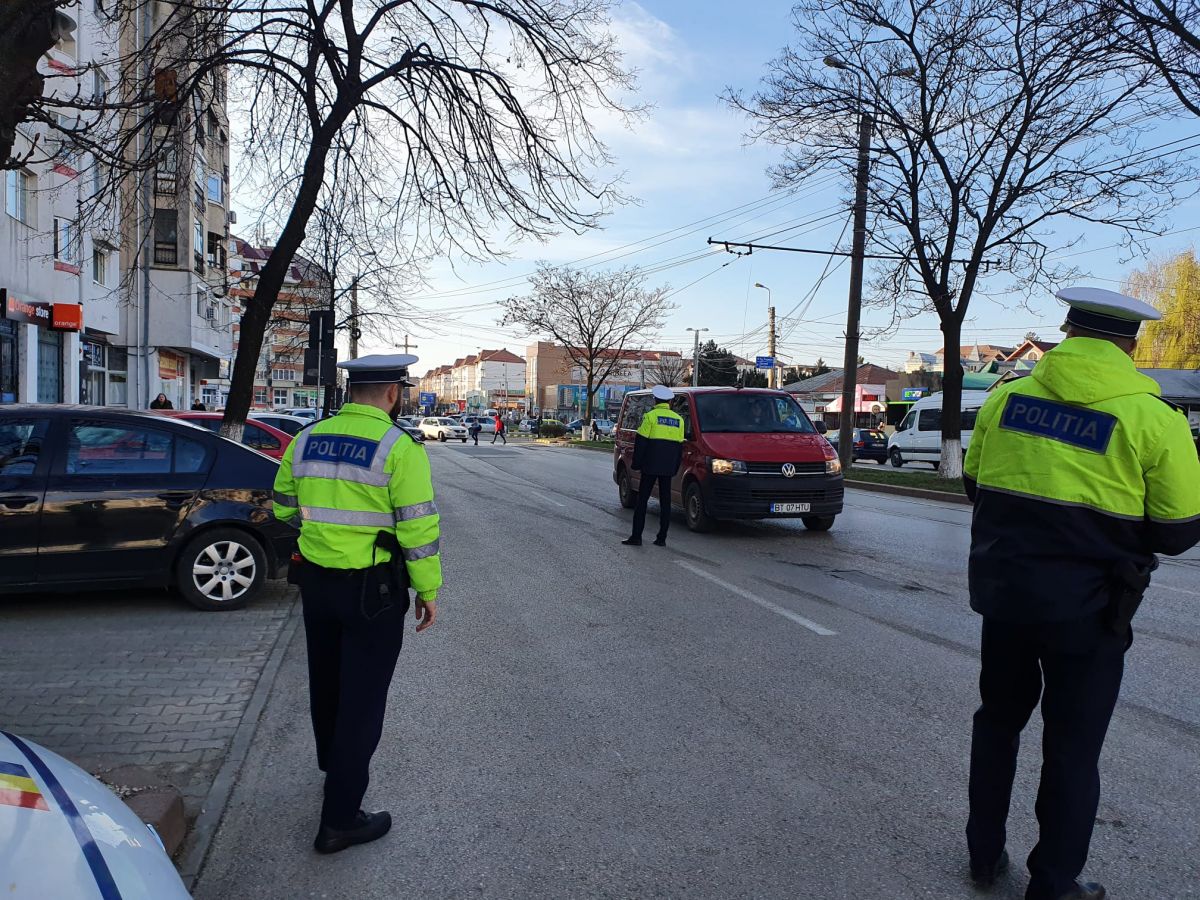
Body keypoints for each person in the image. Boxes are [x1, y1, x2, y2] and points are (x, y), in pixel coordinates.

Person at [962, 287, 1200, 900]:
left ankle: (983, 856)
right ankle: (1053, 884)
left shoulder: (1005, 399)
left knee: (997, 723)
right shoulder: (1155, 420)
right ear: (1130, 345)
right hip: (1091, 612)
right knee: (1072, 750)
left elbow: (975, 486)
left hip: (1007, 600)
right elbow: (1177, 532)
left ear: (1066, 333)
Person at [272, 353, 442, 855]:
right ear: (393, 393)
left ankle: (334, 769)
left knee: (327, 685)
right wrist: (427, 591)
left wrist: (320, 535)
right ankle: (340, 820)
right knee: (362, 702)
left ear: (351, 391)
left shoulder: (306, 438)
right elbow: (418, 529)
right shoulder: (399, 447)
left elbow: (282, 506)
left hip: (317, 584)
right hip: (373, 591)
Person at [623, 385, 685, 547]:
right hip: (668, 467)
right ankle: (661, 538)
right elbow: (679, 447)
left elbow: (641, 442)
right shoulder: (679, 420)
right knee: (665, 502)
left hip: (650, 465)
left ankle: (636, 537)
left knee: (642, 500)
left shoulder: (650, 417)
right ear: (669, 402)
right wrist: (675, 467)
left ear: (655, 400)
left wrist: (637, 464)